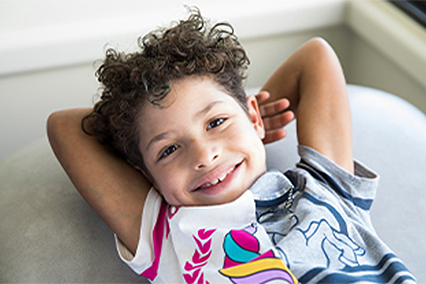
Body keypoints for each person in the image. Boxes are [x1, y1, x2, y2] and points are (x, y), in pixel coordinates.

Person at [47, 8, 416, 284]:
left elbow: (315, 56)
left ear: (254, 116)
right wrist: (129, 114)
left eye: (216, 122)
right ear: (146, 176)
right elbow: (63, 126)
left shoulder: (324, 187)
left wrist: (254, 127)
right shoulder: (167, 235)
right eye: (169, 150)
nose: (205, 156)